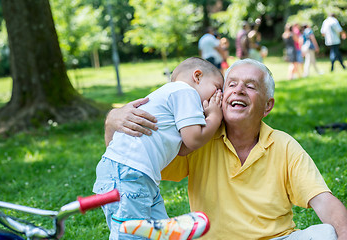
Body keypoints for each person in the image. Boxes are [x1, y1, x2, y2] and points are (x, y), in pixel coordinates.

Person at [104, 58, 347, 240]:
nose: (239, 90)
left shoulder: (283, 145)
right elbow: (129, 166)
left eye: (250, 86)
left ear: (267, 105)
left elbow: (324, 202)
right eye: (231, 84)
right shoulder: (194, 139)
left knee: (326, 233)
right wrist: (112, 121)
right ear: (220, 96)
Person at [93, 57, 224, 239]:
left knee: (160, 232)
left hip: (137, 176)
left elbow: (183, 149)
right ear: (197, 76)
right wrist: (215, 117)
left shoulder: (173, 96)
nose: (219, 95)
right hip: (128, 173)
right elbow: (194, 139)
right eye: (217, 88)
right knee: (131, 233)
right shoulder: (185, 91)